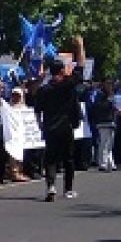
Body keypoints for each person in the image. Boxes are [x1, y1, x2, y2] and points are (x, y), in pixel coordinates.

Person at [34, 37, 86, 201]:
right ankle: (68, 189)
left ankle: (51, 186)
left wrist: (40, 125)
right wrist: (80, 46)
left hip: (50, 127)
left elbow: (37, 110)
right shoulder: (68, 84)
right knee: (68, 158)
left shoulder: (44, 90)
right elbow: (81, 67)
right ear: (62, 71)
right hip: (66, 126)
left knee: (50, 158)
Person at [91, 81, 120, 171]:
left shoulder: (111, 97)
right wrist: (109, 103)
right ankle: (102, 163)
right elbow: (98, 107)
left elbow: (113, 108)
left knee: (110, 144)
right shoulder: (100, 96)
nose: (111, 88)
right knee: (103, 143)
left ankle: (110, 163)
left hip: (111, 122)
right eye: (109, 86)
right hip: (103, 122)